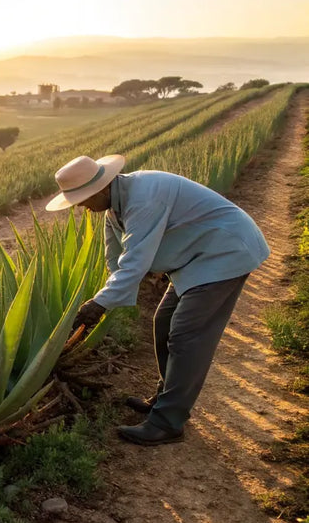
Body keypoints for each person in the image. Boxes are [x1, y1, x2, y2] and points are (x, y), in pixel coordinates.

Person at [46, 155, 269, 446]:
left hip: (226, 250)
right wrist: (102, 301)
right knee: (163, 322)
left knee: (187, 335)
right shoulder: (113, 208)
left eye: (82, 198)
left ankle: (168, 422)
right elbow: (115, 261)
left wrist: (99, 304)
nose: (80, 207)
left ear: (100, 189)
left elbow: (136, 262)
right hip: (196, 258)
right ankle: (166, 399)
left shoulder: (143, 199)